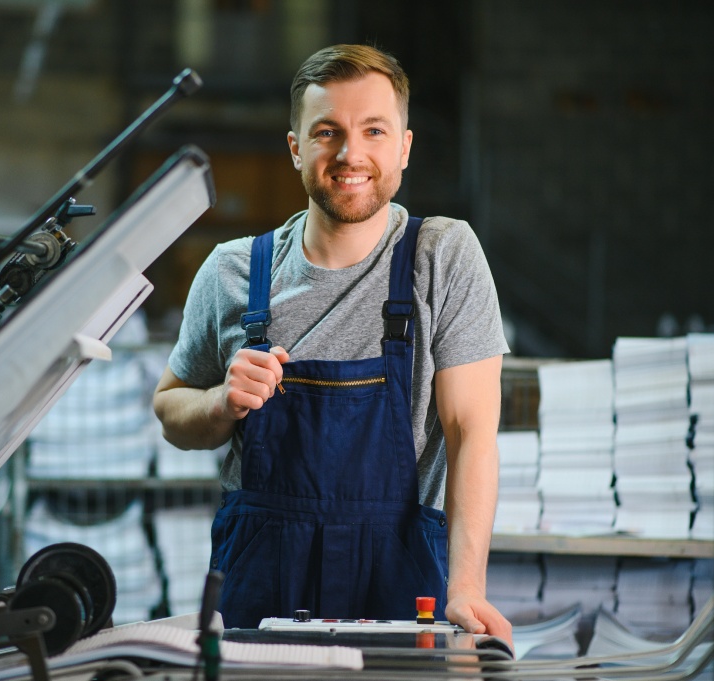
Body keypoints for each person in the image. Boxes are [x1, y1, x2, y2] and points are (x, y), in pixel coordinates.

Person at [153, 44, 512, 644]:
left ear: (404, 146)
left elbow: (471, 432)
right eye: (328, 132)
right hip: (261, 583)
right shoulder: (232, 270)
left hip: (401, 580)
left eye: (374, 130)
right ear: (296, 147)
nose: (351, 154)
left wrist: (467, 586)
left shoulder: (442, 256)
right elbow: (170, 410)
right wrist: (221, 401)